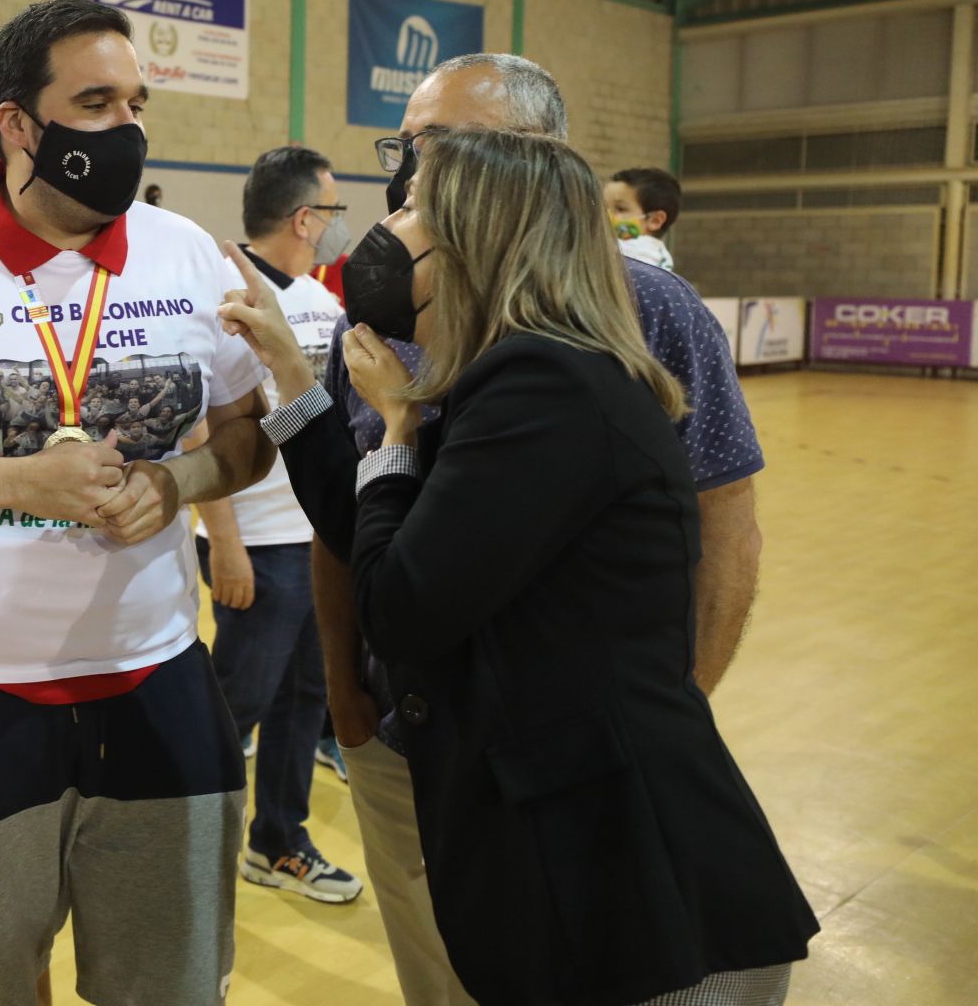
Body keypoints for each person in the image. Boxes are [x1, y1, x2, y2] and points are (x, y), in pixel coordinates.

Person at [226, 126, 817, 1003]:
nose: (394, 225)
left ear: (481, 236)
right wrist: (289, 375)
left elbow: (401, 602)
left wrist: (395, 427)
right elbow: (371, 534)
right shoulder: (511, 373)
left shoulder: (544, 385)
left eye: (419, 207)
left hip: (637, 894)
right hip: (568, 858)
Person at [0, 0, 275, 1006]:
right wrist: (16, 481)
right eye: (96, 102)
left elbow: (251, 434)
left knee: (171, 980)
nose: (127, 127)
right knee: (0, 973)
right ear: (17, 123)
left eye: (137, 102)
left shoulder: (186, 255)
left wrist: (178, 483)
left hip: (156, 677)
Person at [185, 144, 359, 904]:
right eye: (332, 209)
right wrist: (224, 539)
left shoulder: (323, 301)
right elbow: (197, 430)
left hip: (315, 537)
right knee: (235, 706)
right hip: (254, 544)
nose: (334, 226)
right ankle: (184, 851)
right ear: (305, 217)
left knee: (304, 700)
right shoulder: (222, 294)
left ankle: (278, 841)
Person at [606, 166, 680, 272]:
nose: (605, 214)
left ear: (655, 220)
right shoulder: (660, 253)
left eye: (620, 209)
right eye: (604, 207)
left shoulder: (634, 251)